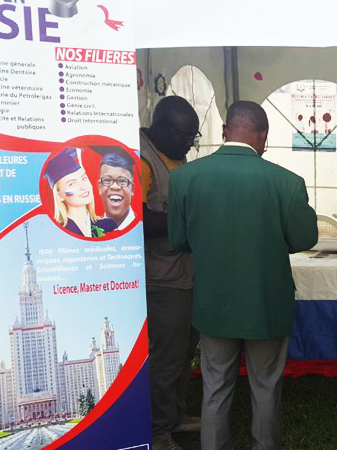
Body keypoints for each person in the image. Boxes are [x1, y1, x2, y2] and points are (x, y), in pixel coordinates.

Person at [168, 100, 318, 450]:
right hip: (267, 303)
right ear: (263, 135)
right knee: (266, 384)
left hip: (212, 302)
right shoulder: (286, 182)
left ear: (224, 131)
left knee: (215, 385)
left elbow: (178, 240)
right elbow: (305, 239)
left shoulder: (184, 178)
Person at [141, 96, 202, 450]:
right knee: (165, 358)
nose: (189, 145)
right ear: (162, 126)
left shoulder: (173, 154)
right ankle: (157, 432)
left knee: (183, 353)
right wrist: (188, 219)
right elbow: (134, 220)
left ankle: (176, 417)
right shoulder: (140, 159)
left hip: (187, 273)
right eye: (185, 137)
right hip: (162, 278)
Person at [45, 147, 117, 238]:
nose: (83, 186)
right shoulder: (57, 233)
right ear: (60, 195)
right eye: (72, 184)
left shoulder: (108, 226)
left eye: (84, 178)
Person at [92, 146, 137, 230]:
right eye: (107, 180)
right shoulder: (92, 231)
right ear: (99, 187)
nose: (115, 187)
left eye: (122, 181)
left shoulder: (139, 229)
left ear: (132, 188)